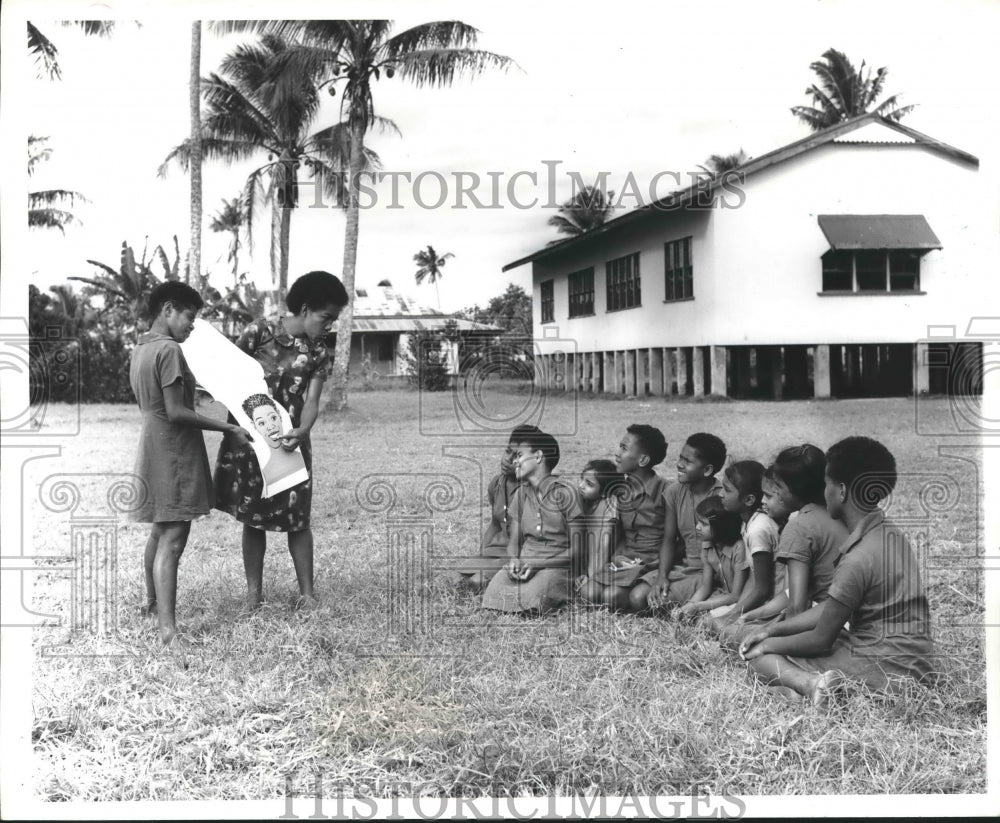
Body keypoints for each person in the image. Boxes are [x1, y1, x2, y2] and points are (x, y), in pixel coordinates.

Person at [739, 437, 935, 705]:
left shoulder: (858, 556)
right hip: (919, 665)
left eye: (827, 483)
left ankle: (812, 686)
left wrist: (767, 644)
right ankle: (797, 691)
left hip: (888, 671)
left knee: (759, 659)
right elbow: (832, 607)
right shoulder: (889, 533)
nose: (823, 491)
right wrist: (772, 631)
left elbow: (821, 640)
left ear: (841, 491)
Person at [214, 271, 348, 611]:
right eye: (326, 317)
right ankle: (252, 595)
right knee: (253, 516)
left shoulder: (319, 352)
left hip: (292, 443)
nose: (330, 325)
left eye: (334, 319)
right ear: (305, 309)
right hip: (251, 442)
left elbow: (313, 400)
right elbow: (228, 375)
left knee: (298, 519)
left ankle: (308, 595)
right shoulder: (259, 331)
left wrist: (302, 431)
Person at [129, 282, 251, 657]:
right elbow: (178, 411)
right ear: (168, 309)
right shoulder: (168, 350)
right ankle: (168, 633)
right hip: (174, 451)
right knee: (173, 539)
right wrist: (229, 426)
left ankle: (152, 605)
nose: (192, 326)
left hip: (153, 443)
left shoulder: (142, 347)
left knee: (159, 532)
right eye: (189, 317)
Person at [720, 445, 848, 650]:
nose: (773, 493)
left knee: (731, 636)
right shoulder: (834, 513)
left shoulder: (798, 527)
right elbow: (794, 594)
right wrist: (752, 615)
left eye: (778, 487)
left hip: (827, 621)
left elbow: (797, 605)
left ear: (796, 489)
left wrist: (780, 644)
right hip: (843, 614)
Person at [481, 430, 583, 615]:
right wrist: (514, 561)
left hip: (556, 566)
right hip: (525, 564)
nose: (514, 461)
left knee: (537, 595)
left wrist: (538, 564)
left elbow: (577, 550)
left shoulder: (566, 492)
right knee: (493, 593)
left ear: (538, 456)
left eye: (520, 455)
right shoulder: (521, 494)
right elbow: (514, 543)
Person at [579, 425, 668, 611]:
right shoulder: (618, 491)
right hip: (624, 561)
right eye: (620, 446)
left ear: (643, 460)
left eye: (624, 448)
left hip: (653, 563)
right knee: (588, 593)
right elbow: (611, 535)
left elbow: (676, 538)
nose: (617, 453)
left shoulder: (666, 491)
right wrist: (600, 568)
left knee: (611, 597)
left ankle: (638, 592)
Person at [452, 424, 541, 591]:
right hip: (498, 549)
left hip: (521, 553)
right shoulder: (496, 484)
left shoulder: (533, 490)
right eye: (508, 451)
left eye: (518, 456)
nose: (509, 459)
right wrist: (482, 553)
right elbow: (495, 523)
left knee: (477, 582)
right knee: (456, 579)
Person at [645, 432, 728, 612]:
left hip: (709, 573)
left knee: (646, 601)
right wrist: (662, 576)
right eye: (680, 458)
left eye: (687, 462)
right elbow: (669, 539)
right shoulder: (674, 492)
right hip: (684, 567)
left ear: (707, 470)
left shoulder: (721, 496)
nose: (679, 464)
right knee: (638, 595)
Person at [708, 460, 781, 631]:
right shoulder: (747, 522)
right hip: (760, 600)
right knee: (707, 622)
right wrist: (735, 610)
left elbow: (762, 588)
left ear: (748, 499)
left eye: (727, 490)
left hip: (773, 604)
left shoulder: (758, 528)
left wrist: (732, 616)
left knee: (714, 626)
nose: (720, 494)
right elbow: (753, 578)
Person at [676, 496, 748, 620]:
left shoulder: (738, 549)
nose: (698, 527)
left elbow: (736, 595)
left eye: (703, 524)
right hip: (724, 595)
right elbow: (705, 587)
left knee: (706, 621)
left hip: (740, 600)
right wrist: (689, 606)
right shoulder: (708, 545)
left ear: (721, 527)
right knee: (690, 616)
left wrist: (698, 606)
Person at [572, 459, 625, 596]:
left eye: (589, 484)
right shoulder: (584, 502)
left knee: (590, 593)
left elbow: (603, 546)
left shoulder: (608, 503)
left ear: (604, 492)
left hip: (608, 563)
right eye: (582, 479)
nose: (581, 486)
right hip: (589, 564)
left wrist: (592, 578)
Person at [242, 393, 307, 488]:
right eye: (261, 423)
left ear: (279, 415)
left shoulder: (302, 462)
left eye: (273, 418)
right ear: (254, 426)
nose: (270, 427)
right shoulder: (263, 472)